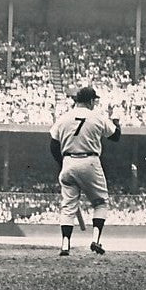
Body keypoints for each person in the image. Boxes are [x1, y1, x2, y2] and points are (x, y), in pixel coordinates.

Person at [49, 87, 121, 256]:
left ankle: (65, 245)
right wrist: (116, 120)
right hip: (90, 161)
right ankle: (96, 240)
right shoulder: (97, 117)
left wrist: (62, 163)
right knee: (101, 202)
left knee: (68, 207)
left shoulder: (63, 117)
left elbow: (53, 145)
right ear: (90, 101)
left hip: (68, 161)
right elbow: (116, 136)